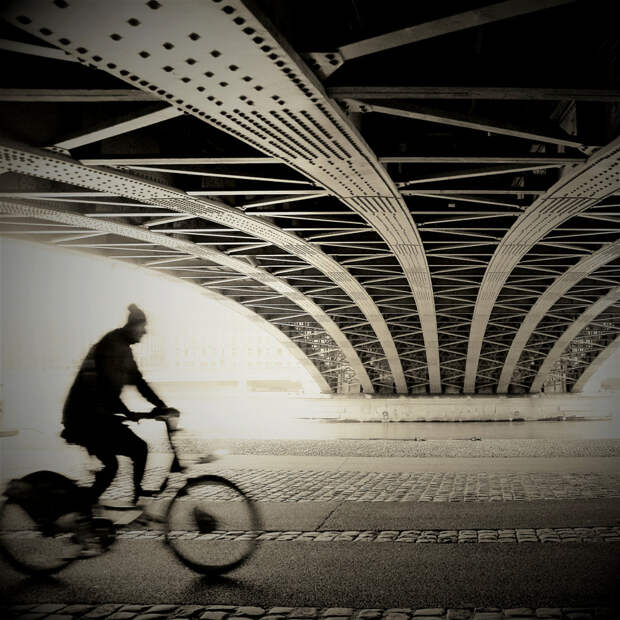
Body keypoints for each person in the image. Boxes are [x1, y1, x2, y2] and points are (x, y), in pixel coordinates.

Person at [61, 304, 168, 506]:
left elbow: (137, 380)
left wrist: (161, 405)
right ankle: (134, 498)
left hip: (93, 416)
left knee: (112, 465)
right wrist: (128, 412)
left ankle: (89, 504)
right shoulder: (113, 346)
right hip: (86, 418)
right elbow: (107, 389)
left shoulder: (121, 347)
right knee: (136, 450)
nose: (145, 333)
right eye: (142, 327)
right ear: (133, 325)